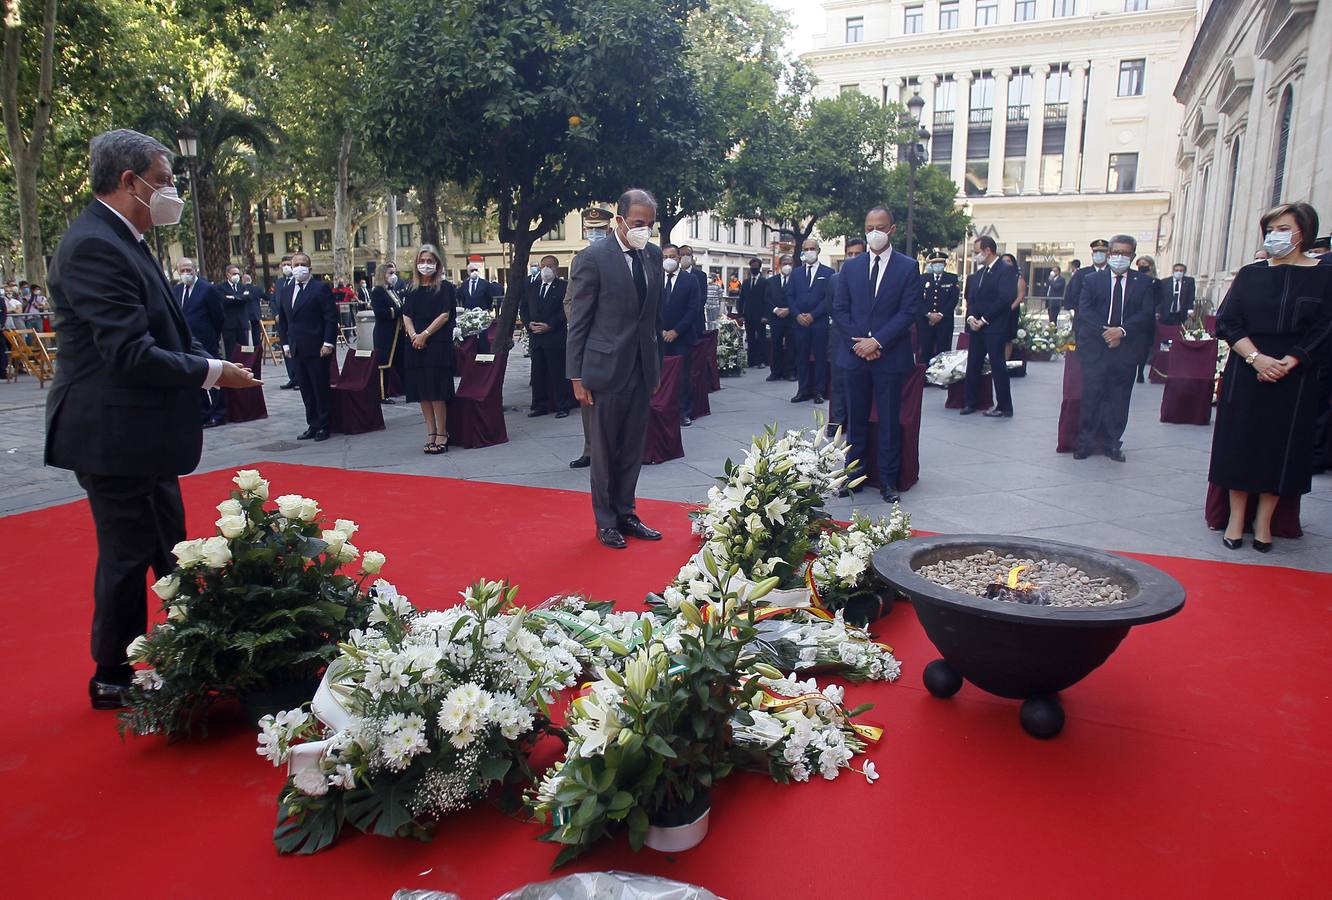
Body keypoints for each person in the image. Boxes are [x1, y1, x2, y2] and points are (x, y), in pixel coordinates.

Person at [45, 129, 260, 710]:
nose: (171, 193)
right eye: (164, 182)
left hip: (142, 433)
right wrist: (212, 372)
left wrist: (204, 358)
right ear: (129, 181)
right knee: (125, 553)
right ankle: (111, 673)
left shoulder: (128, 238)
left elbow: (167, 326)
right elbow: (128, 351)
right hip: (110, 432)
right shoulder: (93, 244)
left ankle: (197, 644)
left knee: (171, 545)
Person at [1210, 202, 1332, 551]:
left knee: (1280, 448)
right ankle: (1235, 518)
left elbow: (1325, 327)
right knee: (1240, 445)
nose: (1276, 236)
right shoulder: (1251, 273)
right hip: (1248, 369)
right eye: (1271, 229)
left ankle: (1264, 520)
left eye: (1283, 229)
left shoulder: (1324, 275)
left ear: (1302, 232)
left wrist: (1290, 361)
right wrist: (1256, 359)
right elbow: (1228, 321)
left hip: (1294, 376)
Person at [566, 188, 664, 550]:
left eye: (650, 224)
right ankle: (606, 521)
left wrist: (655, 369)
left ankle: (627, 512)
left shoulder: (651, 256)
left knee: (632, 447)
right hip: (603, 370)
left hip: (641, 369)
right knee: (605, 450)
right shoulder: (593, 258)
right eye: (639, 223)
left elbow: (654, 318)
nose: (645, 230)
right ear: (619, 219)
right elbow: (579, 321)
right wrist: (576, 375)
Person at [833, 207, 921, 504]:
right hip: (855, 355)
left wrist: (878, 342)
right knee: (855, 420)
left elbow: (909, 311)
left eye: (880, 227)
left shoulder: (907, 267)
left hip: (889, 356)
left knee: (887, 420)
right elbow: (840, 309)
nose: (874, 232)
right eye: (870, 226)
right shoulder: (851, 267)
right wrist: (861, 343)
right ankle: (853, 476)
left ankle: (888, 480)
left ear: (892, 229)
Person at [1073, 234, 1155, 461]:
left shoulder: (1144, 283)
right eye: (1116, 253)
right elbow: (1085, 311)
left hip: (1126, 350)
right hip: (1096, 349)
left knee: (1119, 399)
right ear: (1109, 254)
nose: (1119, 257)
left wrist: (1122, 332)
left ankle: (1112, 443)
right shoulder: (1092, 280)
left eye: (1125, 253)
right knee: (1091, 397)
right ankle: (1085, 442)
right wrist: (1107, 332)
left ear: (1133, 256)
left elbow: (1145, 314)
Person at [401, 244, 456, 454]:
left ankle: (442, 432)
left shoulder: (445, 287)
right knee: (422, 391)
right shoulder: (411, 288)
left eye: (429, 261)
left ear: (437, 264)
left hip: (437, 343)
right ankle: (430, 432)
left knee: (436, 391)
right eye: (422, 261)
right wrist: (414, 335)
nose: (425, 265)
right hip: (414, 344)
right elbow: (406, 314)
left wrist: (425, 335)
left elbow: (444, 314)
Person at [276, 251, 337, 441]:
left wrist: (328, 343)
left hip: (317, 347)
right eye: (295, 265)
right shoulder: (286, 290)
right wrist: (285, 344)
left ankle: (324, 426)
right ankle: (312, 424)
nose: (298, 268)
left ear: (309, 268)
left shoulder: (320, 288)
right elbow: (284, 321)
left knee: (320, 388)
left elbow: (330, 317)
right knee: (306, 389)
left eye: (303, 264)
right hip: (296, 348)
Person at [961, 236, 1018, 418]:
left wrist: (984, 319)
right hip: (977, 327)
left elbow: (1004, 299)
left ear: (988, 251)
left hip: (995, 326)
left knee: (997, 365)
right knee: (973, 364)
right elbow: (973, 298)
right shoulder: (980, 273)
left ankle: (1004, 406)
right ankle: (971, 402)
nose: (975, 256)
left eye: (977, 252)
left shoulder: (1005, 270)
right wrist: (971, 317)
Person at [172, 256, 226, 428]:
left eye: (189, 269)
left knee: (214, 377)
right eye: (183, 270)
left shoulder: (207, 289)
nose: (186, 273)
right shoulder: (177, 290)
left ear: (195, 269)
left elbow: (218, 316)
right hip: (186, 341)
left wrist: (213, 335)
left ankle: (219, 413)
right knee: (196, 378)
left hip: (206, 340)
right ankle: (204, 413)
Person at [521, 254, 573, 419]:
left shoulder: (563, 286)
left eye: (549, 266)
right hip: (536, 337)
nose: (545, 269)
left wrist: (550, 325)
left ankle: (562, 406)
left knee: (558, 374)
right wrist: (529, 323)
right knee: (538, 374)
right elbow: (524, 308)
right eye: (543, 265)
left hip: (555, 337)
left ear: (556, 268)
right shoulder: (532, 286)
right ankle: (540, 405)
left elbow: (564, 310)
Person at [659, 243, 703, 426]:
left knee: (683, 376)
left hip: (682, 336)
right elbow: (649, 307)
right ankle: (663, 411)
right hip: (659, 336)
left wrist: (676, 331)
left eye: (672, 256)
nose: (668, 260)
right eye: (665, 257)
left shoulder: (690, 280)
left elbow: (694, 309)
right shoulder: (655, 278)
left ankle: (683, 412)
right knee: (661, 375)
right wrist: (659, 329)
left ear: (678, 258)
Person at [786, 237, 834, 404]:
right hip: (799, 323)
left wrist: (813, 315)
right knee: (802, 356)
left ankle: (819, 391)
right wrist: (797, 314)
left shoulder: (828, 273)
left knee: (820, 357)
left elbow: (829, 298)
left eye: (812, 248)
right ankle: (803, 390)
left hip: (819, 322)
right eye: (806, 249)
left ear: (818, 250)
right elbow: (789, 296)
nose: (809, 252)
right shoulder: (796, 273)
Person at [828, 238, 866, 434]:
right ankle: (837, 422)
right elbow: (833, 309)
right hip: (839, 337)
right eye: (849, 254)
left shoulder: (869, 277)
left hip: (863, 337)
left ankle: (856, 423)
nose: (852, 258)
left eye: (857, 254)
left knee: (859, 383)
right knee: (838, 381)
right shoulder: (834, 280)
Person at [370, 261, 408, 404]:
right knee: (383, 365)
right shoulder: (377, 292)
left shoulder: (392, 291)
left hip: (397, 333)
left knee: (401, 362)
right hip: (385, 334)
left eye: (394, 273)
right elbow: (380, 313)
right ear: (382, 275)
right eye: (390, 273)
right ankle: (382, 394)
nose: (394, 276)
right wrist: (400, 311)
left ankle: (406, 389)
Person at [918, 250, 959, 364]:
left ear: (945, 264)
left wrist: (940, 315)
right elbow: (918, 299)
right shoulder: (923, 279)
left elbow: (953, 299)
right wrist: (928, 314)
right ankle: (925, 378)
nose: (937, 266)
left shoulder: (952, 278)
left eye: (940, 263)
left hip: (944, 322)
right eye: (935, 263)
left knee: (944, 353)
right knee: (926, 352)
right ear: (931, 265)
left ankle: (942, 379)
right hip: (926, 322)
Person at [218, 263, 261, 358]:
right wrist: (239, 297)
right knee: (231, 351)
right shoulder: (221, 287)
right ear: (227, 274)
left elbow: (247, 298)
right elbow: (224, 300)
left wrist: (233, 297)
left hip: (243, 324)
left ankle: (245, 367)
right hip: (229, 325)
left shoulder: (243, 287)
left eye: (238, 273)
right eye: (234, 274)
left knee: (245, 350)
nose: (236, 276)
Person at [765, 254, 796, 381]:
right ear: (779, 265)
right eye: (785, 263)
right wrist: (776, 310)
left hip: (791, 318)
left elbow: (799, 298)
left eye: (790, 263)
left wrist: (789, 309)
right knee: (775, 345)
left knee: (791, 346)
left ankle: (790, 372)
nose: (787, 266)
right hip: (776, 318)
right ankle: (775, 372)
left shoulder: (797, 280)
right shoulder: (771, 281)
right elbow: (767, 298)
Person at [1065, 241, 1111, 324]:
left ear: (1108, 254)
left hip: (1108, 322)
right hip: (1083, 322)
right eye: (1096, 251)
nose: (1098, 254)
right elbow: (1072, 294)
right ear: (1092, 254)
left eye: (1102, 251)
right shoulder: (1081, 274)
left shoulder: (1113, 273)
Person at [738, 257, 769, 368]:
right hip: (749, 315)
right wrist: (741, 315)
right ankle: (751, 360)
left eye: (755, 266)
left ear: (759, 267)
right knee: (750, 338)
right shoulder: (746, 282)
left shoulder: (765, 282)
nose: (753, 268)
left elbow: (767, 299)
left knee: (761, 338)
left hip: (760, 315)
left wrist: (766, 315)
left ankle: (761, 360)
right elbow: (741, 299)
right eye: (752, 266)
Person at [274, 254, 298, 389]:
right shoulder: (279, 283)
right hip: (282, 323)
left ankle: (300, 378)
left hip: (293, 321)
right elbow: (273, 300)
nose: (286, 267)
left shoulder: (297, 281)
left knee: (296, 349)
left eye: (289, 264)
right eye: (283, 265)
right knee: (286, 348)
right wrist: (276, 313)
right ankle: (292, 377)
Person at [999, 252, 1026, 361]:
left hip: (1011, 311)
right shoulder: (997, 277)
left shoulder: (1018, 278)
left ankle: (1005, 361)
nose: (1006, 263)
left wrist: (1009, 309)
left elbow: (1020, 296)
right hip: (997, 311)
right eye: (1003, 261)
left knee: (1007, 338)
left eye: (1008, 261)